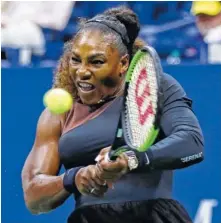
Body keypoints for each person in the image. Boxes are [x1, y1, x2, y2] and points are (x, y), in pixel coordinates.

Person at [21, 6, 204, 223]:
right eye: (75, 59)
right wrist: (75, 177)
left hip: (152, 217)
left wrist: (132, 159)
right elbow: (34, 197)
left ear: (123, 63)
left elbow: (192, 143)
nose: (82, 71)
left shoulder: (153, 87)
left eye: (96, 62)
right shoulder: (56, 115)